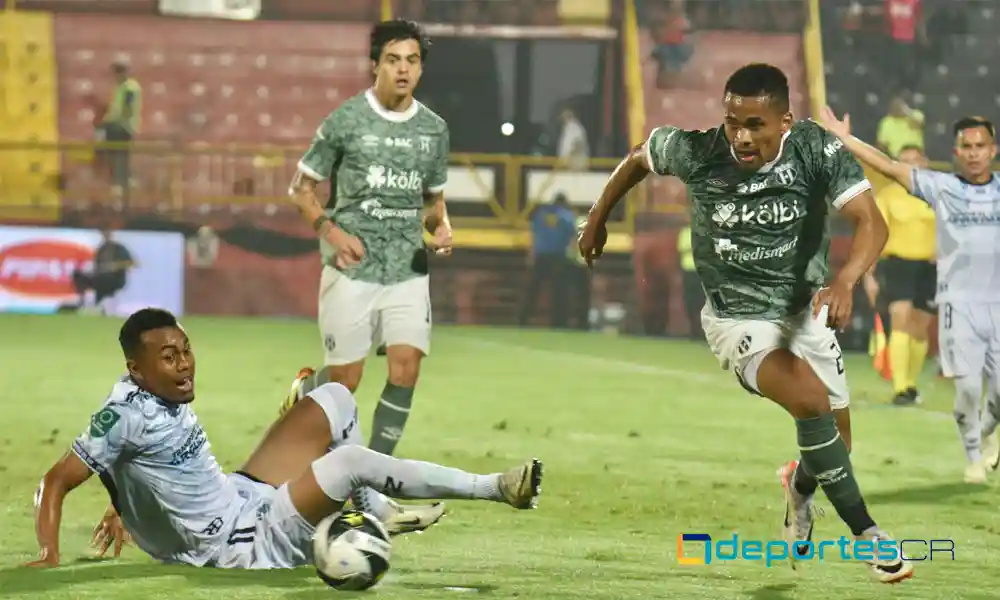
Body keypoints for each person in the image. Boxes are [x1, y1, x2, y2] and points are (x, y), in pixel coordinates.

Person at [578, 63, 912, 584]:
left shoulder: (815, 149)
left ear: (785, 121)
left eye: (755, 124)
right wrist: (597, 219)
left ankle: (799, 491)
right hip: (738, 318)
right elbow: (636, 160)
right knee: (809, 401)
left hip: (806, 311)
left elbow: (872, 221)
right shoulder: (698, 150)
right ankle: (870, 538)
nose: (740, 136)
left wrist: (846, 280)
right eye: (733, 121)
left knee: (835, 448)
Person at [25, 308, 542, 569]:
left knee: (334, 397)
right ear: (136, 369)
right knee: (348, 463)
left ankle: (375, 510)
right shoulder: (122, 417)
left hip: (242, 498)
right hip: (242, 546)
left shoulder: (154, 395)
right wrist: (49, 554)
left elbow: (140, 467)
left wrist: (126, 504)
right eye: (169, 357)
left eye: (185, 349)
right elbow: (55, 481)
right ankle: (497, 487)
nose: (184, 364)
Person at [286, 20, 453, 460]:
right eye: (393, 60)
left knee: (406, 367)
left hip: (407, 268)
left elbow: (434, 200)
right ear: (374, 65)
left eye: (412, 61)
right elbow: (300, 190)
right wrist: (331, 231)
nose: (403, 70)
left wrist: (440, 228)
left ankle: (376, 473)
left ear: (421, 69)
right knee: (346, 379)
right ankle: (307, 391)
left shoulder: (434, 131)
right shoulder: (346, 122)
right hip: (352, 266)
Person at [817, 110, 1000, 482]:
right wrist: (846, 140)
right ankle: (973, 456)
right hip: (957, 305)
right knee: (966, 387)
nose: (975, 153)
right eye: (967, 146)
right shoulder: (941, 187)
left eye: (981, 146)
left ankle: (987, 436)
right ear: (955, 152)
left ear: (993, 150)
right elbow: (886, 165)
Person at [862, 145, 935, 406]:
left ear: (925, 163)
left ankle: (911, 383)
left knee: (920, 326)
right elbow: (873, 237)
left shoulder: (938, 196)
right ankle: (900, 387)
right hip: (897, 265)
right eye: (903, 162)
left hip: (930, 268)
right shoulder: (888, 196)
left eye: (914, 161)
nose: (909, 167)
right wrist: (868, 275)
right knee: (900, 317)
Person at [71, 228, 136, 313]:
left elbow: (132, 263)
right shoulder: (102, 248)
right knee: (79, 276)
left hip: (115, 277)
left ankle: (98, 306)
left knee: (101, 280)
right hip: (100, 275)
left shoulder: (119, 248)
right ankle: (82, 305)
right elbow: (97, 266)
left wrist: (115, 265)